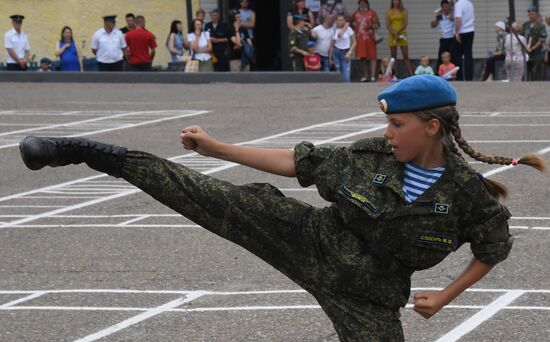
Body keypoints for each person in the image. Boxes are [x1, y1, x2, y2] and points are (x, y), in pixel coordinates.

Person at [19, 75, 546, 341]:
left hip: (366, 296)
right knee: (203, 197)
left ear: (431, 127)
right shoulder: (368, 156)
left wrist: (447, 297)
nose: (387, 133)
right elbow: (298, 163)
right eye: (387, 124)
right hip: (305, 236)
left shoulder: (466, 194)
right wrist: (217, 147)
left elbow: (493, 248)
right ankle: (92, 154)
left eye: (397, 125)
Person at [350, 0, 380, 82]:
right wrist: (355, 29)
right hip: (360, 38)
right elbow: (350, 23)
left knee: (372, 56)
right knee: (363, 57)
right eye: (361, 3)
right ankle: (365, 76)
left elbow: (378, 24)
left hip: (371, 37)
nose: (363, 4)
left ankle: (373, 76)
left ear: (367, 4)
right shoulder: (356, 13)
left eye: (364, 3)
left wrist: (372, 25)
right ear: (359, 4)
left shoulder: (372, 13)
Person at [386, 0, 413, 76]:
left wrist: (397, 32)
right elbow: (388, 25)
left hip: (402, 34)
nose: (396, 2)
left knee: (405, 56)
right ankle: (393, 75)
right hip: (392, 35)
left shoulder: (403, 11)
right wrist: (394, 33)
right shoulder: (389, 12)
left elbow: (405, 23)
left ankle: (411, 74)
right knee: (393, 57)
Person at [522, 6, 547, 81]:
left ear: (536, 15)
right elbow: (522, 37)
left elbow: (542, 39)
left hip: (536, 52)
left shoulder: (541, 26)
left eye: (532, 14)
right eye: (529, 14)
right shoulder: (525, 25)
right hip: (526, 52)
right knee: (525, 72)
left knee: (536, 72)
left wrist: (533, 48)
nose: (530, 16)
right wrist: (525, 48)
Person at [453, 0, 475, 81]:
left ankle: (459, 77)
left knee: (457, 56)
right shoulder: (470, 3)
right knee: (468, 55)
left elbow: (458, 19)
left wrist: (456, 32)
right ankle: (469, 77)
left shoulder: (459, 4)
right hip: (471, 30)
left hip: (462, 31)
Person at [330, 14, 356, 82]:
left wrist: (349, 52)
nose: (341, 22)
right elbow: (332, 44)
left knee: (346, 75)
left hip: (345, 52)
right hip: (336, 52)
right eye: (339, 20)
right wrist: (330, 58)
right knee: (338, 73)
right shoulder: (334, 30)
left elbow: (354, 42)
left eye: (343, 20)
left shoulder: (349, 29)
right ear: (336, 21)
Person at [431, 0, 454, 72]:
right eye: (444, 7)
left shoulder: (453, 13)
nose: (445, 8)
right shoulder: (440, 15)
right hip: (444, 39)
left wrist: (451, 12)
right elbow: (432, 25)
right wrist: (437, 18)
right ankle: (439, 74)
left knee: (452, 57)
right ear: (442, 7)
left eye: (447, 6)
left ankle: (453, 74)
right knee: (441, 58)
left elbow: (452, 18)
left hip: (452, 39)